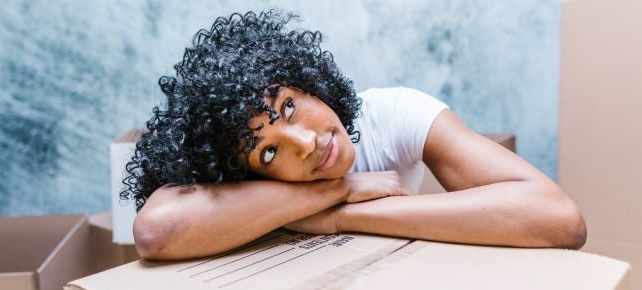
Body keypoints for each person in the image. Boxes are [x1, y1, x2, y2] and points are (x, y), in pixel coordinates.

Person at [121, 10, 586, 260]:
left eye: (288, 106)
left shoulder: (392, 113)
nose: (306, 143)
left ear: (308, 82)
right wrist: (344, 188)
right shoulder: (235, 183)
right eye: (267, 153)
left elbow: (560, 219)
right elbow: (157, 231)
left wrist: (340, 217)